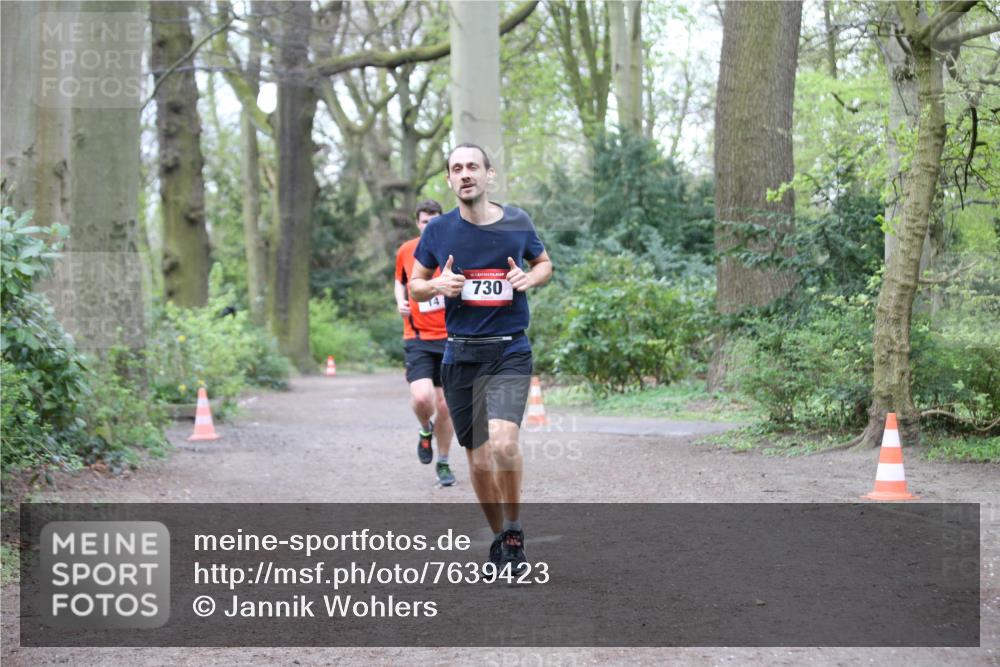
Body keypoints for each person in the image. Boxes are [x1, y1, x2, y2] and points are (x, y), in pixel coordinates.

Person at [408, 143, 552, 572]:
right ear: (450, 180)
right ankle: (500, 539)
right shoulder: (438, 232)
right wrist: (437, 286)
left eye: (473, 166)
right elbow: (415, 285)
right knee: (478, 458)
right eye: (457, 168)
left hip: (509, 348)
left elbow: (544, 263)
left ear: (489, 175)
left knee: (505, 444)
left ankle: (513, 527)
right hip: (461, 354)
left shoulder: (516, 222)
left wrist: (529, 277)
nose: (465, 173)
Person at [394, 199, 456, 487]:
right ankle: (424, 429)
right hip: (417, 337)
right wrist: (400, 302)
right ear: (418, 224)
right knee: (422, 398)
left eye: (434, 220)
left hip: (450, 337)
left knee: (445, 407)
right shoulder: (407, 250)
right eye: (424, 221)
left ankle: (443, 463)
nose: (429, 225)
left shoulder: (454, 248)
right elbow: (400, 280)